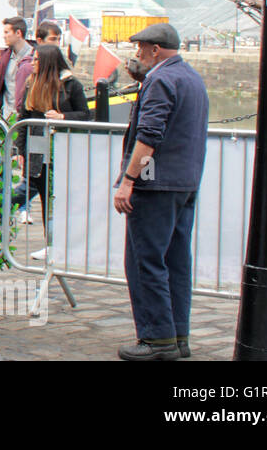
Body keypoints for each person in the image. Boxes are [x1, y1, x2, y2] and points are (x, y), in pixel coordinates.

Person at [113, 23, 208, 361]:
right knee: (176, 261)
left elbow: (149, 136)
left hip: (156, 185)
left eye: (140, 49)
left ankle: (156, 340)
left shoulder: (161, 80)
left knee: (145, 261)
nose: (136, 55)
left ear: (155, 50)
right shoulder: (190, 77)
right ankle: (177, 336)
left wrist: (128, 180)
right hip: (184, 182)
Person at [12, 45, 90, 245]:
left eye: (36, 60)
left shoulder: (71, 85)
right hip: (37, 148)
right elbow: (24, 118)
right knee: (38, 193)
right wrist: (20, 150)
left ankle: (58, 245)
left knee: (56, 199)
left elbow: (85, 114)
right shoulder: (32, 82)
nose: (32, 63)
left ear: (47, 63)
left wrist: (63, 116)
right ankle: (51, 245)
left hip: (63, 150)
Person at [0, 17, 34, 116]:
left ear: (18, 33)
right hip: (6, 118)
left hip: (28, 118)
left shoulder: (35, 57)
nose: (3, 36)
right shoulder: (4, 58)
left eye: (7, 32)